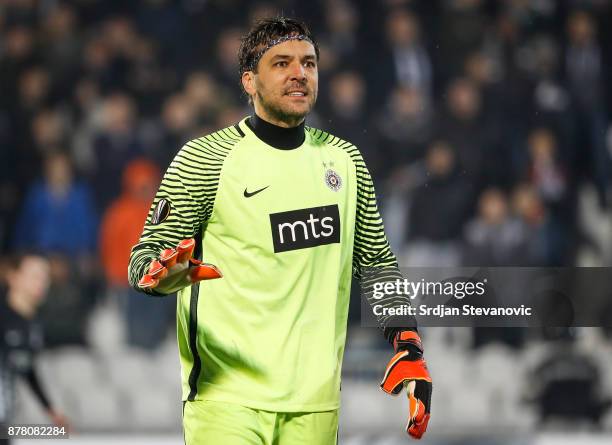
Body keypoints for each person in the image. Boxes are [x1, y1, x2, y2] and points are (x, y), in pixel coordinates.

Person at [128, 17, 432, 444]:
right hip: (226, 399)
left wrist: (408, 343)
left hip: (315, 403)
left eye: (309, 63)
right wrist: (164, 276)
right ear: (249, 81)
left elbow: (377, 263)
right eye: (282, 63)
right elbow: (144, 260)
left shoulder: (345, 162)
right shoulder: (205, 159)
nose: (299, 73)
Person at [0, 253, 70, 444]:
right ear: (13, 277)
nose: (41, 282)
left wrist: (49, 408)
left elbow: (26, 367)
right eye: (34, 275)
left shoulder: (33, 325)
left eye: (44, 276)